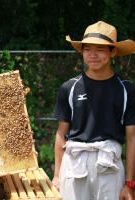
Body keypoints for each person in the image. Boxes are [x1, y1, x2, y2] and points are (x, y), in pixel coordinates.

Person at [52, 21, 135, 200]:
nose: (93, 55)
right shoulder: (69, 87)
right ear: (82, 51)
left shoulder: (126, 90)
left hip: (109, 166)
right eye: (88, 49)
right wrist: (57, 176)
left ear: (113, 52)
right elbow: (61, 133)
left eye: (100, 49)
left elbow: (132, 138)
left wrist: (129, 183)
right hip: (74, 165)